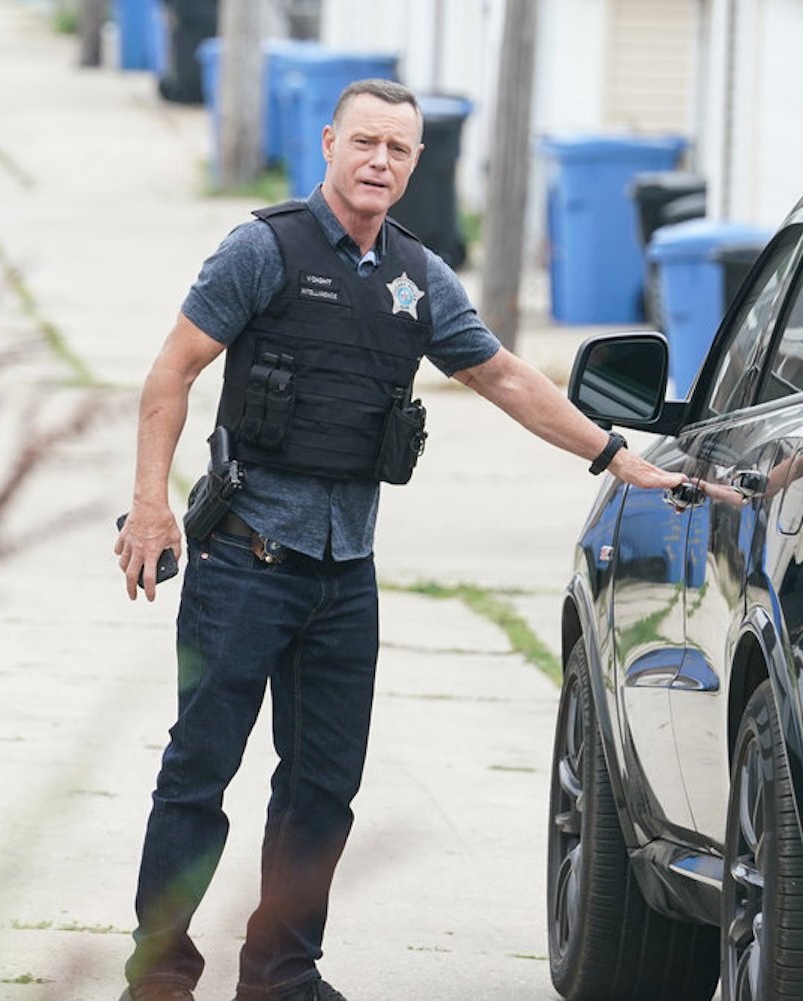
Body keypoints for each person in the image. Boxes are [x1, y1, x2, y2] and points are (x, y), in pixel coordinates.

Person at [111, 79, 684, 1001]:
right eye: (365, 143)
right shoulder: (264, 249)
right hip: (246, 560)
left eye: (400, 151)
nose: (380, 162)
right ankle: (161, 971)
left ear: (416, 164)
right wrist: (150, 504)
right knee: (198, 771)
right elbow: (172, 370)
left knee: (323, 791)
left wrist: (616, 454)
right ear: (331, 142)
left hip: (345, 575)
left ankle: (282, 976)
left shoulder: (418, 276)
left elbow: (501, 375)